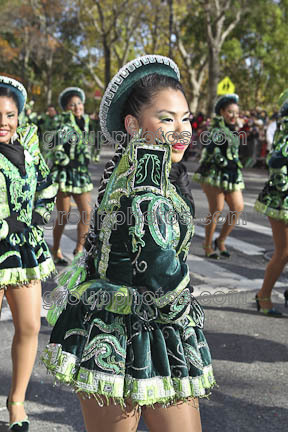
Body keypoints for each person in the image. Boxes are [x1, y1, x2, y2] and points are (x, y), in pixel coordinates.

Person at [42, 55, 215, 432]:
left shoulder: (142, 169)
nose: (182, 130)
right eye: (166, 119)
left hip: (143, 328)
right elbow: (162, 279)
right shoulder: (145, 184)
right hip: (123, 333)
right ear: (133, 124)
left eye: (186, 118)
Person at [0, 75, 57, 431]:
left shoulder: (29, 152)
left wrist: (35, 220)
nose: (2, 123)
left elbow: (48, 188)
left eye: (9, 115)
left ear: (19, 117)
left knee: (30, 325)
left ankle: (16, 401)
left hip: (23, 250)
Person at [193, 94, 244, 259]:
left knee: (238, 207)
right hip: (213, 173)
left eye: (236, 113)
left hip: (231, 174)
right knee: (217, 209)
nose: (233, 116)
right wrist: (218, 156)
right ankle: (207, 244)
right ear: (222, 112)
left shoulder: (234, 129)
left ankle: (220, 240)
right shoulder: (216, 130)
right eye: (230, 112)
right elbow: (211, 149)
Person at [49, 87, 96, 265]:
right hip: (65, 174)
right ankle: (56, 249)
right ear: (66, 108)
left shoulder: (84, 123)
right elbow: (53, 149)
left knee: (87, 213)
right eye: (72, 105)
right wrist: (67, 160)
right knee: (64, 214)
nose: (77, 107)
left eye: (79, 103)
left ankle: (78, 251)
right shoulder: (65, 125)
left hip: (81, 174)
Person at [254, 89, 288, 317]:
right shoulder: (285, 128)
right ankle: (263, 295)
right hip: (281, 199)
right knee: (284, 252)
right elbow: (276, 160)